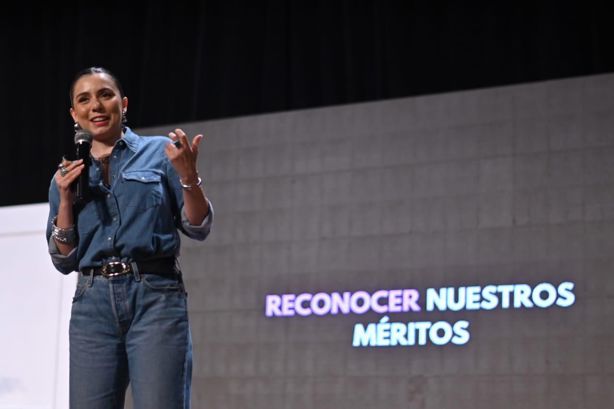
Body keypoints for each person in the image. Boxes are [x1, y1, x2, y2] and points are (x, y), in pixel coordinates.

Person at [46, 66, 213, 409]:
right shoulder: (66, 175)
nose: (96, 105)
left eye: (105, 95)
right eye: (84, 99)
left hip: (155, 297)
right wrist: (64, 200)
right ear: (74, 114)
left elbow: (198, 225)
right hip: (92, 305)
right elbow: (64, 259)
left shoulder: (160, 153)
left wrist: (190, 179)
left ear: (123, 104)